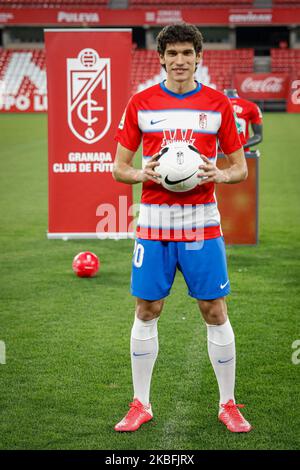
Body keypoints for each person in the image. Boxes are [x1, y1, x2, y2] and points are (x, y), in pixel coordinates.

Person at [113, 23, 252, 433]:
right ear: (160, 58)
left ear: (198, 57)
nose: (179, 61)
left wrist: (219, 175)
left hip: (201, 222)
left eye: (186, 54)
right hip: (154, 222)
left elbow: (240, 168)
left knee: (214, 310)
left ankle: (228, 403)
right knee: (147, 308)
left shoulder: (217, 105)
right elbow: (119, 168)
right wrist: (142, 173)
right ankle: (141, 402)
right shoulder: (141, 103)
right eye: (171, 54)